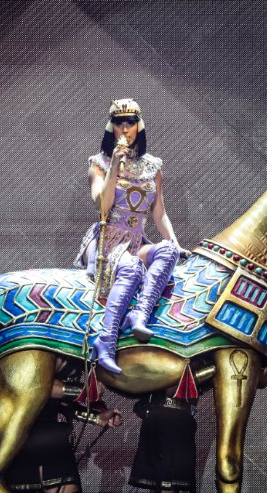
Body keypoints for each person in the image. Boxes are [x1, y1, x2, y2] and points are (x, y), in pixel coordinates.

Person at [74, 98, 187, 375]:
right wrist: (114, 165)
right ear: (111, 128)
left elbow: (159, 212)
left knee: (168, 251)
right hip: (106, 241)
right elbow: (102, 206)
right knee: (132, 267)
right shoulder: (99, 164)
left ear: (139, 126)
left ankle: (140, 314)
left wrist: (175, 242)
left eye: (131, 122)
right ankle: (106, 341)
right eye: (119, 123)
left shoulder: (153, 167)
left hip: (135, 241)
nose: (125, 128)